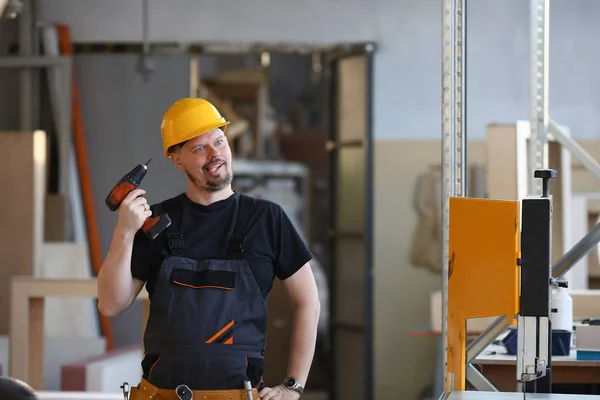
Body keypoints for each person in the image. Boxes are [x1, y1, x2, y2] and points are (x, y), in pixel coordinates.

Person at [97, 97, 321, 400]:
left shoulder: (267, 219)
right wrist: (125, 229)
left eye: (219, 141)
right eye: (199, 148)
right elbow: (111, 305)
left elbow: (308, 301)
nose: (215, 154)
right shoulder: (155, 222)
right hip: (159, 396)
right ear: (177, 160)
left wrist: (293, 387)